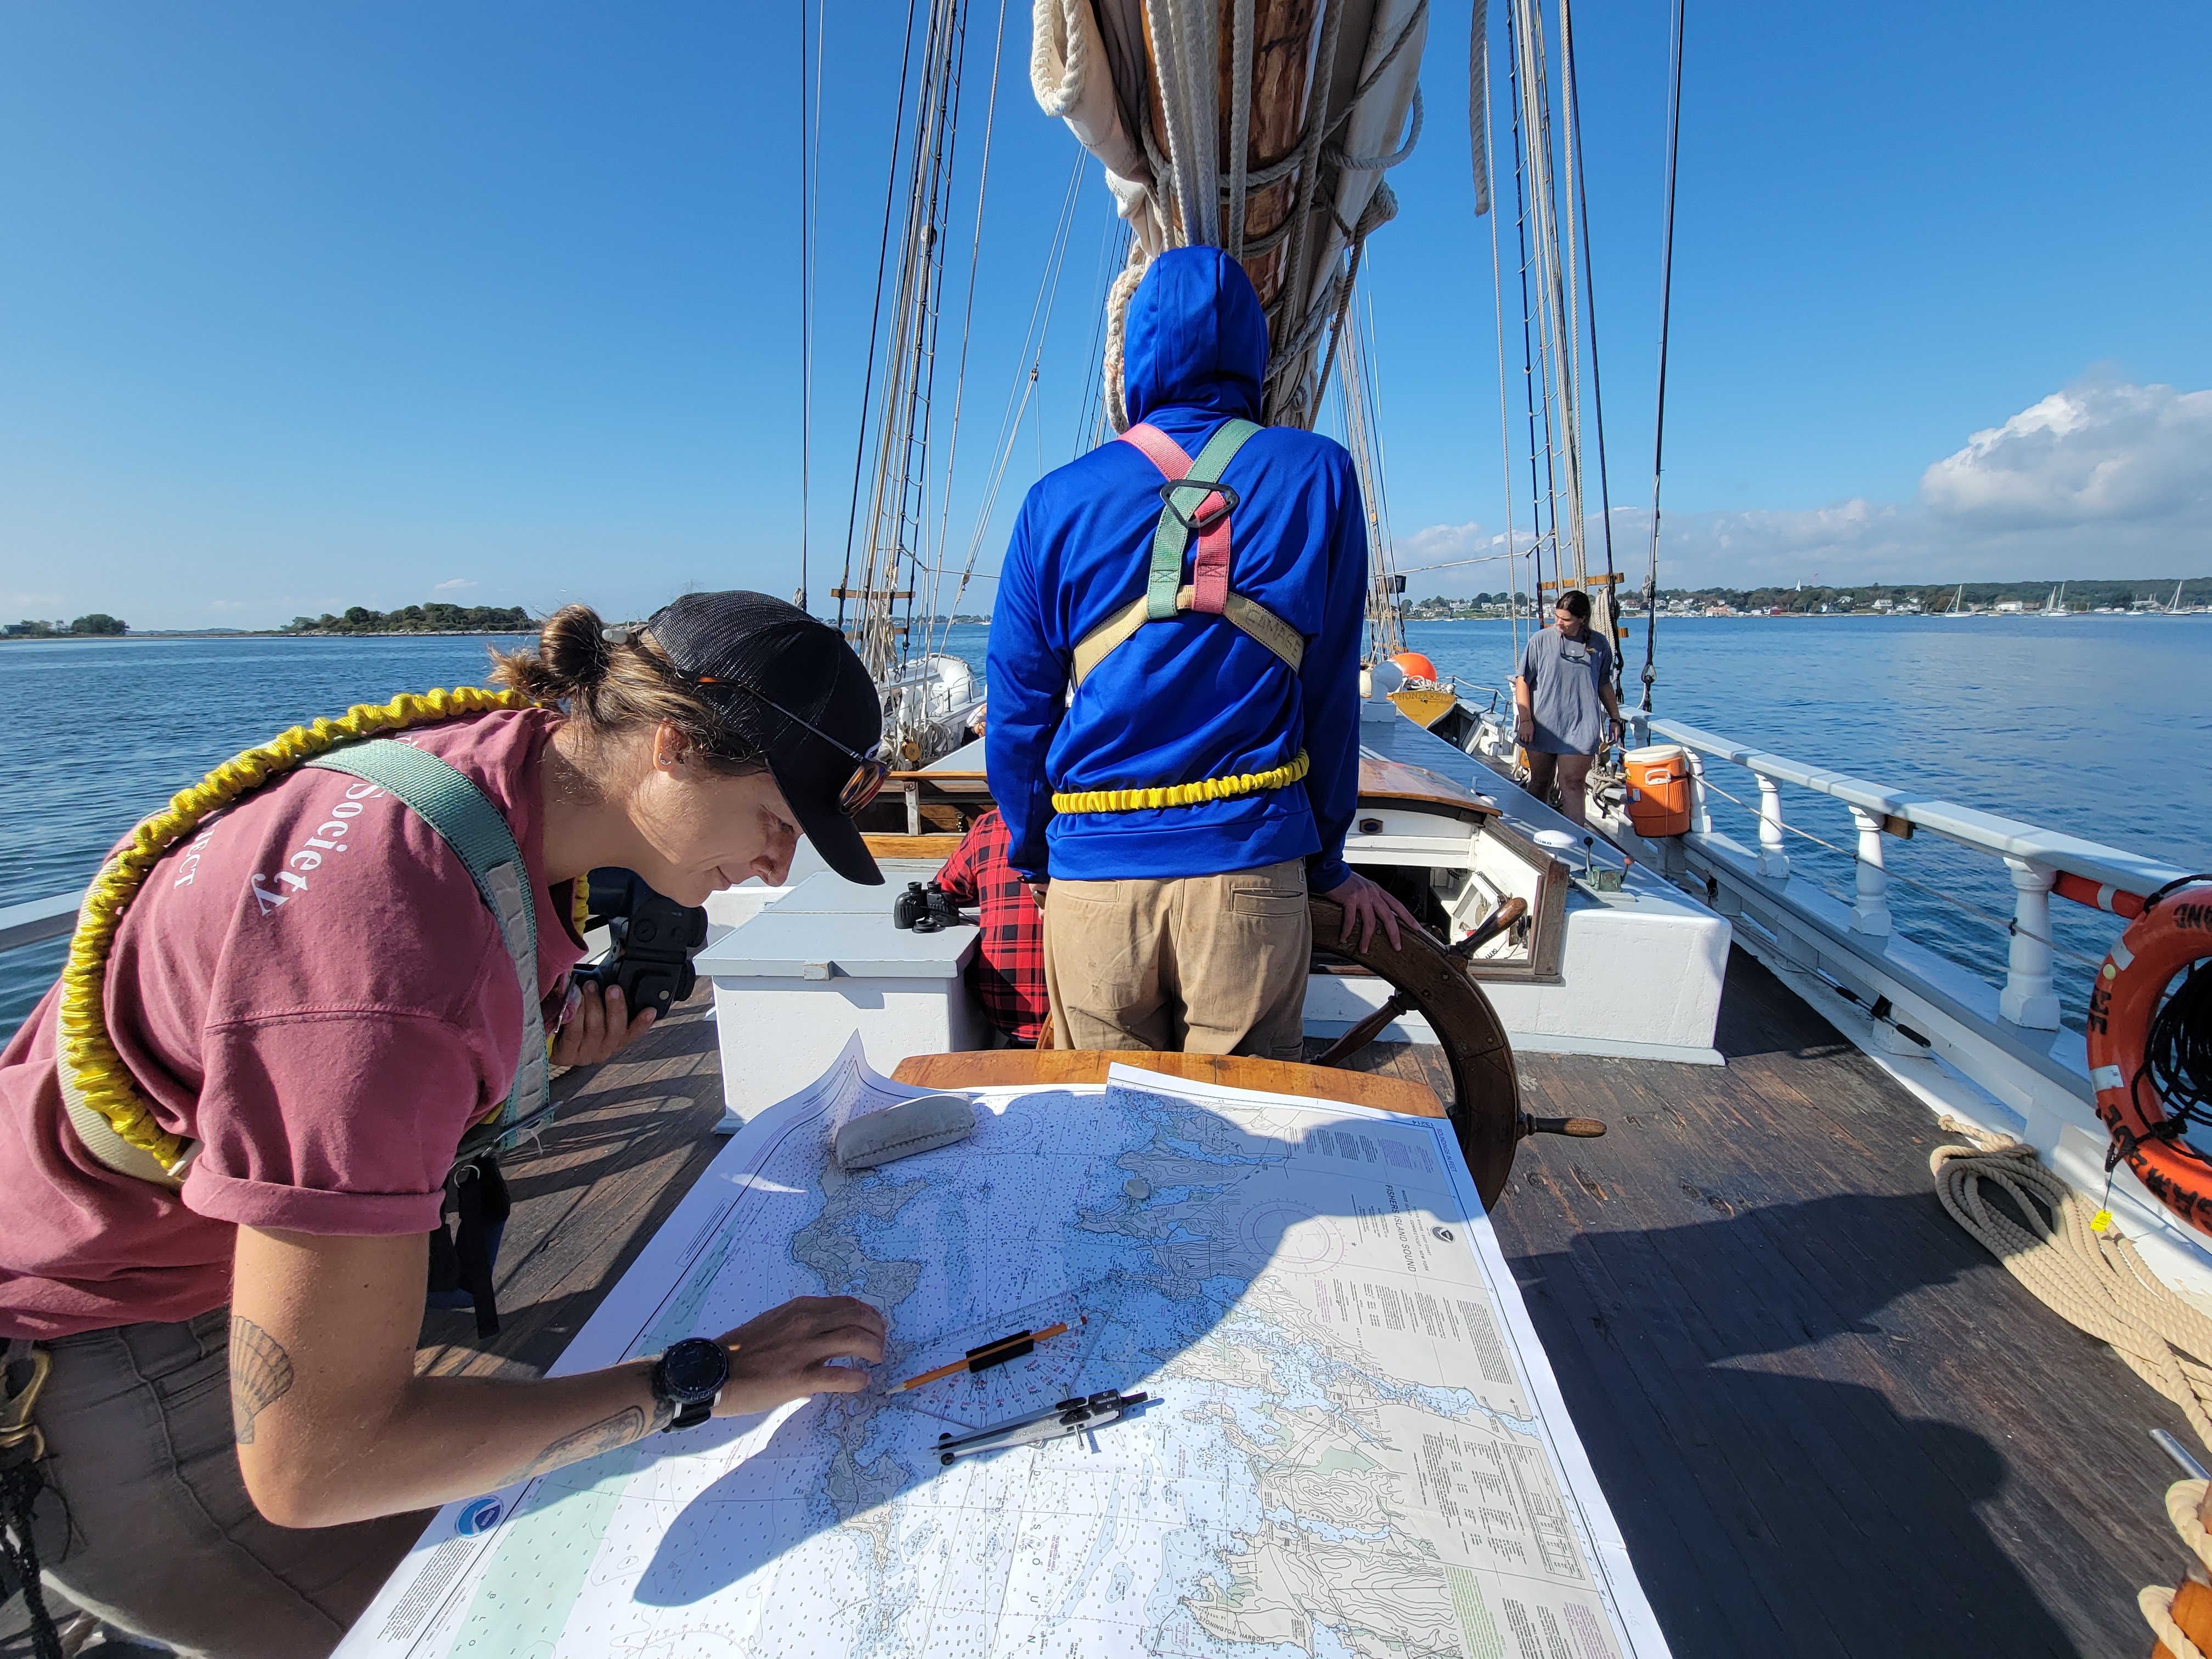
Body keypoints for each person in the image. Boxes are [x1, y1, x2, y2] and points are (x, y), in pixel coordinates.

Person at [0, 592, 891, 1658]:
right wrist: (705, 1377)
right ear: (672, 746)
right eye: (776, 822)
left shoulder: (486, 779)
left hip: (196, 1264)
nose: (777, 870)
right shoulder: (389, 963)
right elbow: (317, 1459)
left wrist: (540, 1049)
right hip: (91, 1336)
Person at [986, 246, 1415, 1058]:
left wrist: (1040, 852)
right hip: (1250, 871)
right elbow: (1328, 701)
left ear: (1138, 351)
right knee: (1244, 1147)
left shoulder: (1056, 500)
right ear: (1253, 348)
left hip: (1094, 879)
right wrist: (1327, 864)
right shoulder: (1319, 474)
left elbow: (1015, 713)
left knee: (1106, 1140)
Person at [1514, 588, 1624, 827]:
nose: (1559, 623)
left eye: (1566, 619)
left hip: (1580, 726)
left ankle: (1576, 840)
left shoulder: (1600, 644)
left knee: (1573, 783)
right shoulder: (1541, 640)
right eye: (1557, 617)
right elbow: (1523, 680)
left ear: (1582, 619)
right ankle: (1532, 831)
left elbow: (1604, 683)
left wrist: (1615, 718)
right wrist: (1526, 720)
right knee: (1540, 781)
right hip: (1542, 723)